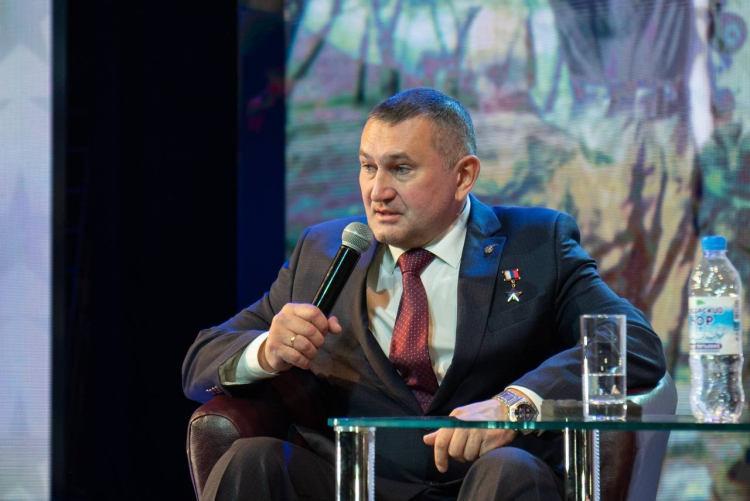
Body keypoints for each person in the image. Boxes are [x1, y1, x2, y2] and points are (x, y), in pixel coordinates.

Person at [182, 87, 667, 501]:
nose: (378, 191)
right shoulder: (323, 251)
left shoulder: (537, 244)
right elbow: (201, 359)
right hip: (354, 480)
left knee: (509, 472)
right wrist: (267, 350)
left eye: (401, 169)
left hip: (484, 480)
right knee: (252, 459)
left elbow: (635, 344)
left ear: (463, 175)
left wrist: (514, 404)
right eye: (368, 167)